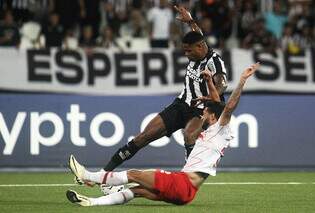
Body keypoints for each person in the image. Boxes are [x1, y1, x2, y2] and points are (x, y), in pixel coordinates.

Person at [66, 62, 260, 206]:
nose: (202, 113)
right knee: (137, 191)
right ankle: (92, 202)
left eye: (205, 112)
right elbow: (217, 105)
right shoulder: (214, 128)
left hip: (182, 184)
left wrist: (242, 80)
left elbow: (228, 107)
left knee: (134, 175)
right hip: (188, 192)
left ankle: (88, 175)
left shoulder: (220, 127)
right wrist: (209, 81)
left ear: (212, 116)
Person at [99, 5, 228, 175]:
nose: (186, 54)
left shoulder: (215, 62)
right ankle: (103, 173)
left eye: (189, 51)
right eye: (185, 50)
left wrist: (211, 96)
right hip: (182, 103)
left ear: (199, 47)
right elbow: (198, 33)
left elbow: (222, 84)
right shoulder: (199, 45)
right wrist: (190, 21)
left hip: (202, 109)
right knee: (143, 137)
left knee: (189, 135)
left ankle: (188, 178)